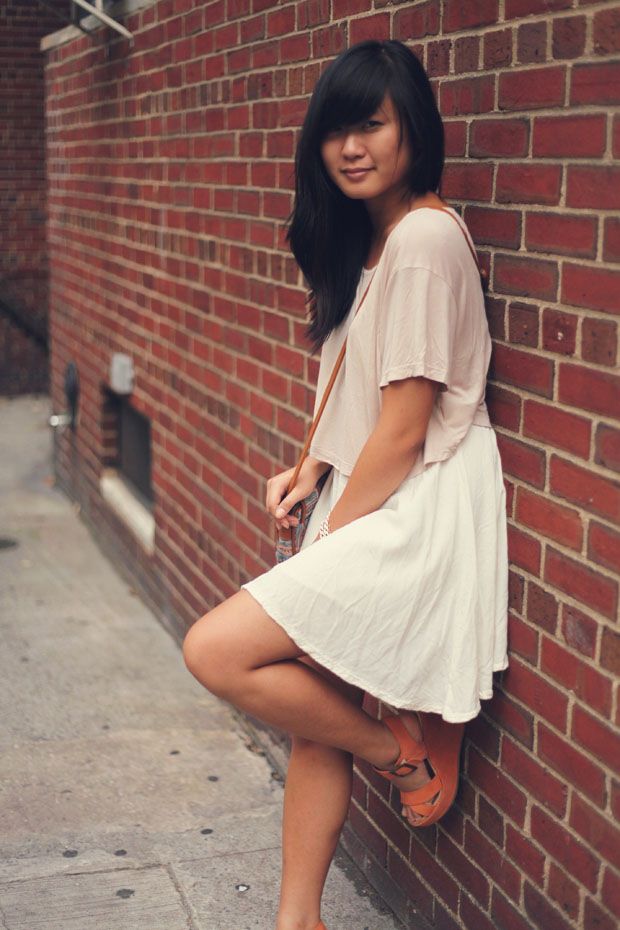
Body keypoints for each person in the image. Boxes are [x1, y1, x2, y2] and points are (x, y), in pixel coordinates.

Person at [183, 39, 508, 930]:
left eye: (371, 125)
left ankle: (398, 751)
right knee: (312, 710)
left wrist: (331, 536)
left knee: (217, 650)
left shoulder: (425, 239)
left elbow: (406, 427)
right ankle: (299, 920)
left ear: (414, 131)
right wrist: (311, 467)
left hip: (417, 501)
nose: (351, 147)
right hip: (373, 489)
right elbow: (364, 391)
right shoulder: (375, 242)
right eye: (335, 130)